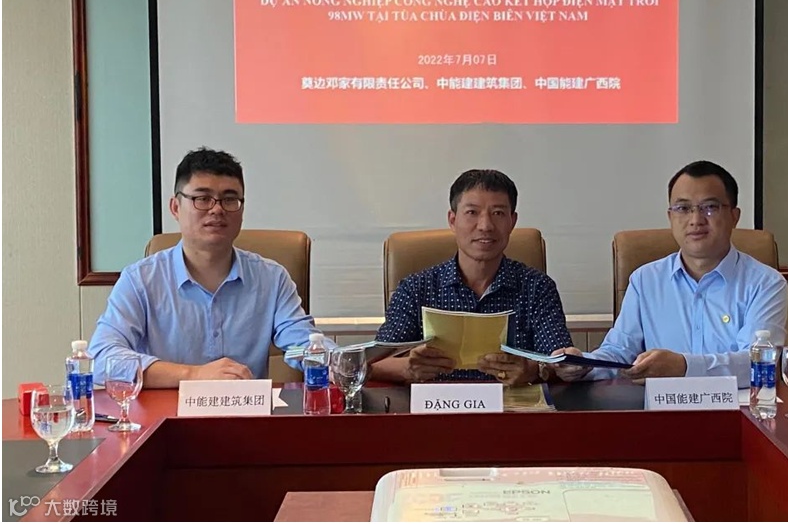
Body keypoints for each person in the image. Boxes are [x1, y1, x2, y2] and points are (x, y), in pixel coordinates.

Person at [88, 147, 333, 388]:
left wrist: (337, 361)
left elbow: (301, 344)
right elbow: (101, 358)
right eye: (202, 199)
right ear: (175, 208)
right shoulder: (140, 280)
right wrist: (193, 375)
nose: (217, 209)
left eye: (229, 199)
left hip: (246, 411)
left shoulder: (272, 279)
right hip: (166, 413)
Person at [555, 160, 788, 387]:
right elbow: (619, 353)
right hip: (661, 409)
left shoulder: (765, 283)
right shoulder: (645, 280)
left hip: (737, 410)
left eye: (709, 207)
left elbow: (758, 363)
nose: (695, 220)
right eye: (683, 209)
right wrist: (583, 365)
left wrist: (683, 366)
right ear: (670, 217)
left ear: (734, 217)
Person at [371, 169, 573, 386]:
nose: (485, 226)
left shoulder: (537, 287)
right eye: (472, 212)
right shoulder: (415, 288)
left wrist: (533, 370)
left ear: (512, 221)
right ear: (452, 220)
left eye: (498, 213)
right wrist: (408, 368)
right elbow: (375, 362)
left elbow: (561, 361)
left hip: (512, 405)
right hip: (438, 404)